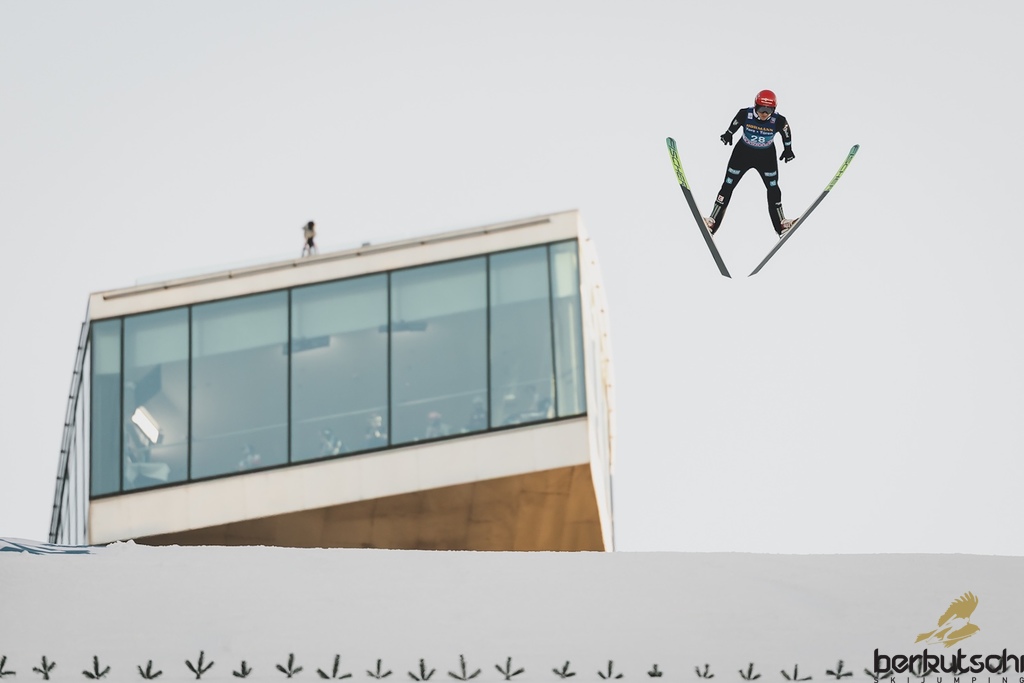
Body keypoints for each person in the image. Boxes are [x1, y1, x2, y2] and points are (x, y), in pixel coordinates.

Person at [704, 90, 797, 239]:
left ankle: (781, 224)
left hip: (766, 158)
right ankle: (712, 222)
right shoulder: (745, 114)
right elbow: (734, 124)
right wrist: (728, 134)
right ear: (755, 106)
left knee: (773, 188)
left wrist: (788, 149)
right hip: (742, 155)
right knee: (727, 185)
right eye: (761, 109)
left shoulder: (779, 120)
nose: (764, 113)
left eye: (769, 110)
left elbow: (786, 134)